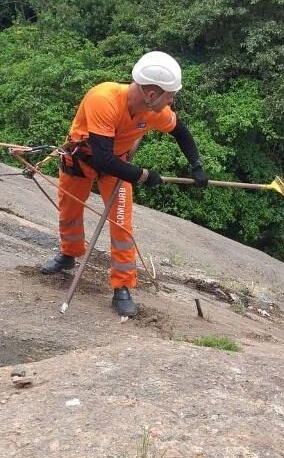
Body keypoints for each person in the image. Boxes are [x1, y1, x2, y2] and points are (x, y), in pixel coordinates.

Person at [41, 51, 209, 317]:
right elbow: (102, 158)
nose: (172, 101)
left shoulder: (155, 112)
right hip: (83, 158)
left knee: (122, 224)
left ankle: (122, 287)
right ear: (151, 94)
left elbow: (181, 132)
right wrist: (143, 174)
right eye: (170, 95)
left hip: (115, 163)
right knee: (70, 212)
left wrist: (196, 165)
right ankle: (68, 255)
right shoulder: (103, 98)